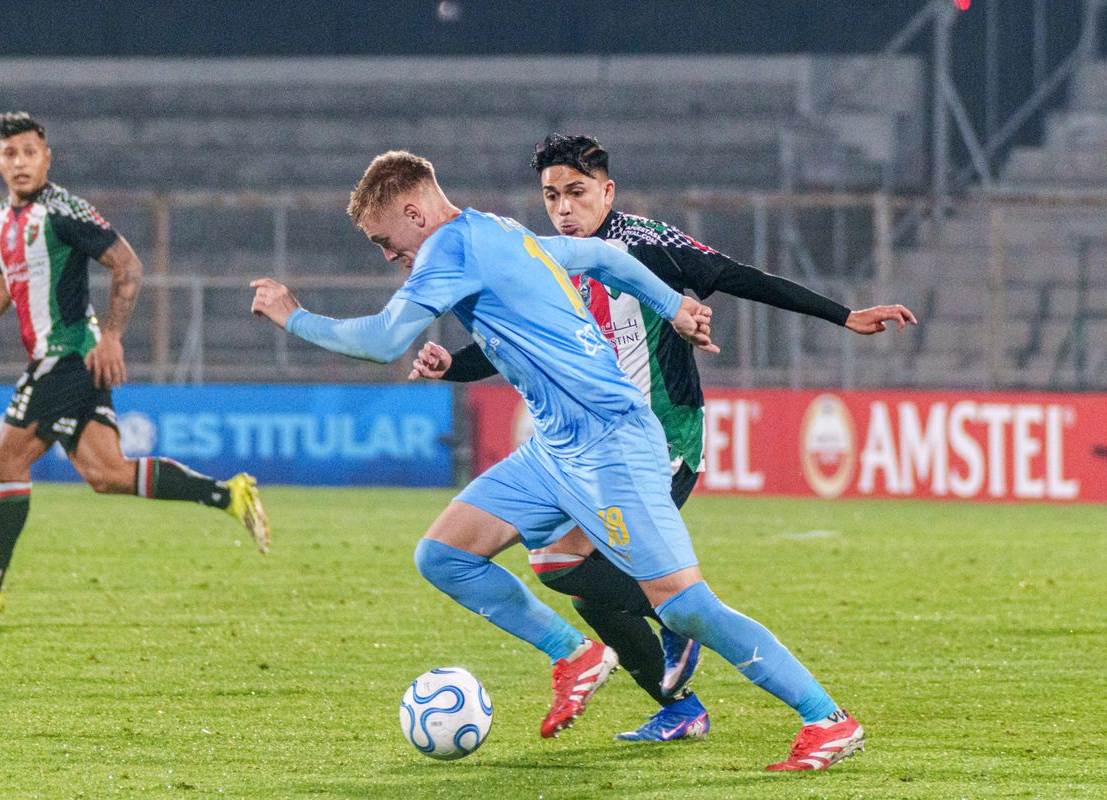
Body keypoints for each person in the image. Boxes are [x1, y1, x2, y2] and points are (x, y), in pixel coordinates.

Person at [253, 150, 862, 770]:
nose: (387, 254)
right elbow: (599, 256)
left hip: (611, 443)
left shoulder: (448, 249)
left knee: (684, 605)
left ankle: (826, 718)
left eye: (385, 239)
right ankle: (574, 655)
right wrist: (673, 306)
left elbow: (383, 340)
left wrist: (291, 316)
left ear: (414, 212)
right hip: (554, 449)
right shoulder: (498, 230)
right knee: (445, 555)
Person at [408, 133, 917, 749]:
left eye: (576, 192)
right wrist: (450, 367)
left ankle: (739, 669)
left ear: (607, 191)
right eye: (551, 196)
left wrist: (843, 315)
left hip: (661, 444)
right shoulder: (544, 262)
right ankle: (681, 698)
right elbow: (513, 349)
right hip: (586, 454)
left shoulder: (648, 244)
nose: (564, 208)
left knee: (599, 575)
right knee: (574, 579)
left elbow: (735, 276)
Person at [0, 112, 269, 615]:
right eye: (9, 153)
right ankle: (228, 495)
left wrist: (111, 336)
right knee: (106, 474)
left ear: (46, 157)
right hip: (62, 358)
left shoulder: (65, 211)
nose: (20, 162)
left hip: (67, 355)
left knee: (7, 460)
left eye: (29, 152)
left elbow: (127, 264)